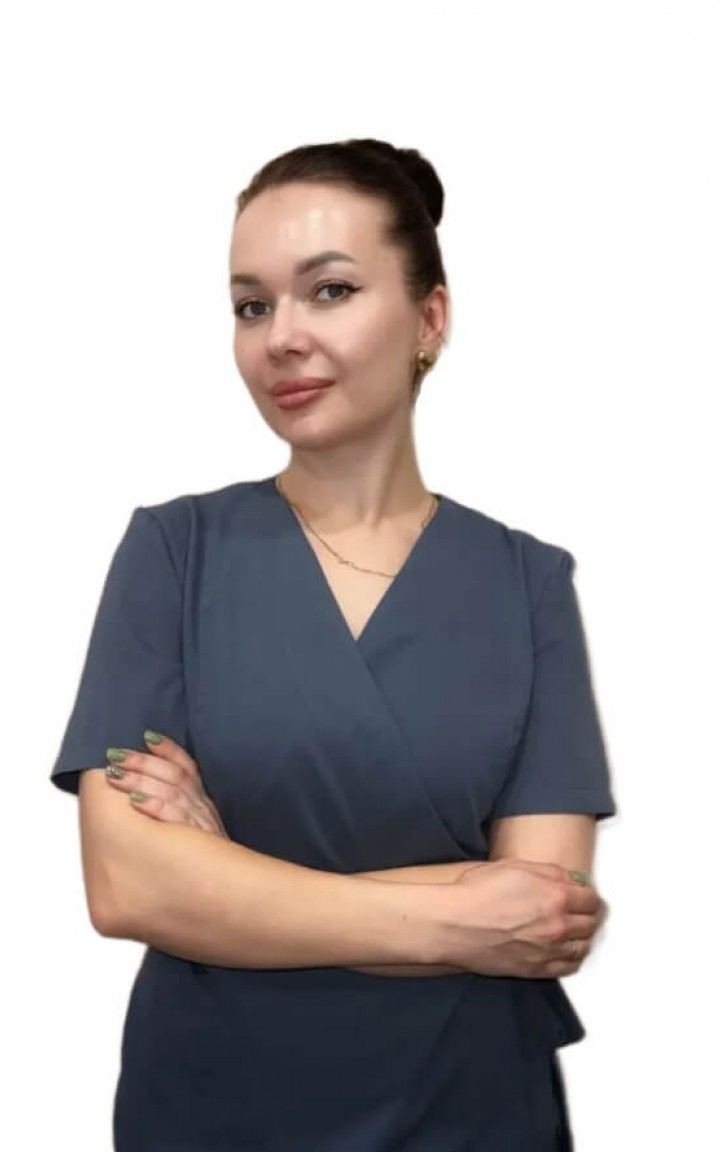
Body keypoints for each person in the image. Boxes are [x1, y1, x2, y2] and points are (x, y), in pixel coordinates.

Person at [50, 137, 616, 1152]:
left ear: (429, 319)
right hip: (214, 1112)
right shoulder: (174, 553)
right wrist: (461, 916)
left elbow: (545, 913)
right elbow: (127, 884)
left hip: (470, 1114)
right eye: (251, 305)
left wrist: (224, 875)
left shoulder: (527, 583)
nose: (281, 337)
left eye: (331, 291)